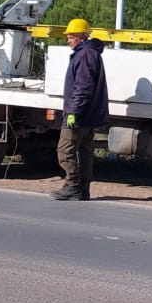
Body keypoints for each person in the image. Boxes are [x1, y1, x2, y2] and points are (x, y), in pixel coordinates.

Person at [51, 18, 108, 200]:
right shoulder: (91, 53)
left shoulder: (84, 55)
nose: (68, 39)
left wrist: (73, 111)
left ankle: (72, 186)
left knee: (65, 149)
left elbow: (83, 87)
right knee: (85, 153)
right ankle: (83, 190)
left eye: (71, 36)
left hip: (79, 114)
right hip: (89, 115)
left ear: (81, 37)